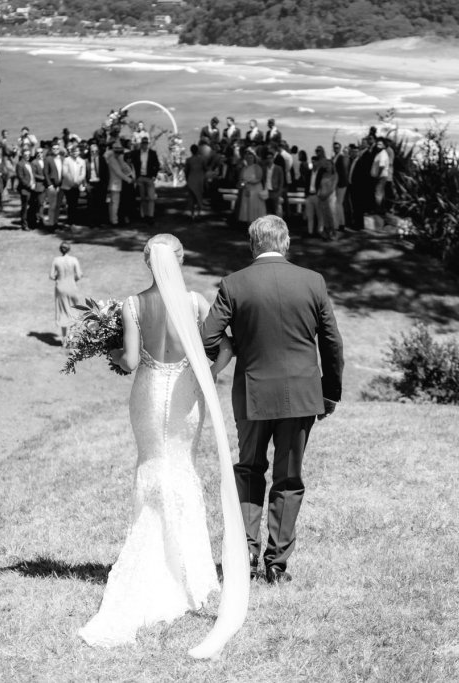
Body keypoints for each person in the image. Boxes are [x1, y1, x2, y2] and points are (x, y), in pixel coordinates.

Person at [79, 234, 247, 658]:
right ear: (181, 259)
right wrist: (209, 372)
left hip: (150, 394)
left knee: (152, 464)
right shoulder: (194, 302)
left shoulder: (133, 305)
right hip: (188, 390)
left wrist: (112, 352)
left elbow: (132, 361)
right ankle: (193, 569)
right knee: (183, 466)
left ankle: (155, 551)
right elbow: (227, 346)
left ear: (146, 263)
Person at [201, 215, 344, 585]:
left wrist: (230, 351)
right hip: (301, 394)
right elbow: (331, 342)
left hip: (251, 393)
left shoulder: (234, 284)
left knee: (248, 470)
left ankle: (245, 552)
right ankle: (276, 564)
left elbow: (207, 338)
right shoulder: (312, 281)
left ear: (253, 245)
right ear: (285, 243)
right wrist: (330, 392)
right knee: (289, 477)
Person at [50, 241, 83, 343]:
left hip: (61, 287)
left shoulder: (56, 260)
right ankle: (72, 338)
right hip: (72, 286)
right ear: (69, 249)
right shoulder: (74, 260)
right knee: (74, 311)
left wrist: (58, 277)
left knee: (63, 312)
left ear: (60, 249)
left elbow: (51, 275)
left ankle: (65, 340)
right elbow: (78, 275)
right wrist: (73, 279)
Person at [129, 138, 161, 223]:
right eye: (143, 143)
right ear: (141, 144)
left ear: (148, 144)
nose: (144, 145)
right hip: (140, 177)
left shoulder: (152, 153)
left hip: (149, 177)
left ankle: (150, 216)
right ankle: (144, 215)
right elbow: (130, 161)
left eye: (146, 143)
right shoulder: (136, 153)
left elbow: (157, 165)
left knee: (151, 197)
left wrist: (154, 175)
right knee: (142, 198)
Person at [104, 143, 135, 226]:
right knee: (114, 203)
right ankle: (114, 221)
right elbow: (119, 173)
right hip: (114, 184)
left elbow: (124, 167)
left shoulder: (117, 158)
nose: (120, 154)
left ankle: (113, 220)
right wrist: (129, 180)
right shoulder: (112, 160)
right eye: (118, 152)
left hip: (117, 184)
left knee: (113, 203)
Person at [235, 149, 265, 228]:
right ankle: (249, 228)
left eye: (251, 157)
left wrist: (248, 182)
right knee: (247, 209)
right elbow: (241, 179)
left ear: (254, 158)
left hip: (256, 190)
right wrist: (242, 184)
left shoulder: (257, 167)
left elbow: (259, 178)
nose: (249, 159)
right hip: (246, 189)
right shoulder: (244, 168)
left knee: (255, 208)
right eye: (247, 158)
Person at [61, 143, 86, 228]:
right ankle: (70, 221)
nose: (75, 153)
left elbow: (83, 173)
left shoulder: (82, 161)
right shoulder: (67, 160)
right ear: (71, 152)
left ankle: (74, 221)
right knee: (70, 204)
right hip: (68, 186)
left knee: (75, 204)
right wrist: (72, 182)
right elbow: (65, 173)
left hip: (77, 185)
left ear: (79, 152)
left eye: (77, 151)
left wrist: (78, 182)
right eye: (73, 151)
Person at [15, 147, 37, 230]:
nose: (27, 156)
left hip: (32, 188)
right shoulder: (20, 164)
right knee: (24, 207)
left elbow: (32, 175)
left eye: (28, 155)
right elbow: (20, 177)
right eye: (25, 155)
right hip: (25, 189)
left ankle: (31, 222)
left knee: (32, 206)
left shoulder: (30, 163)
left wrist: (34, 184)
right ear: (22, 155)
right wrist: (29, 185)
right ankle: (24, 224)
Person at [184, 144, 207, 220]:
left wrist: (187, 180)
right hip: (199, 180)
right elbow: (205, 169)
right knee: (199, 197)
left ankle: (192, 214)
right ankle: (198, 213)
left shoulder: (189, 160)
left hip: (191, 179)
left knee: (192, 198)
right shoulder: (202, 159)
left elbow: (186, 171)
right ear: (197, 151)